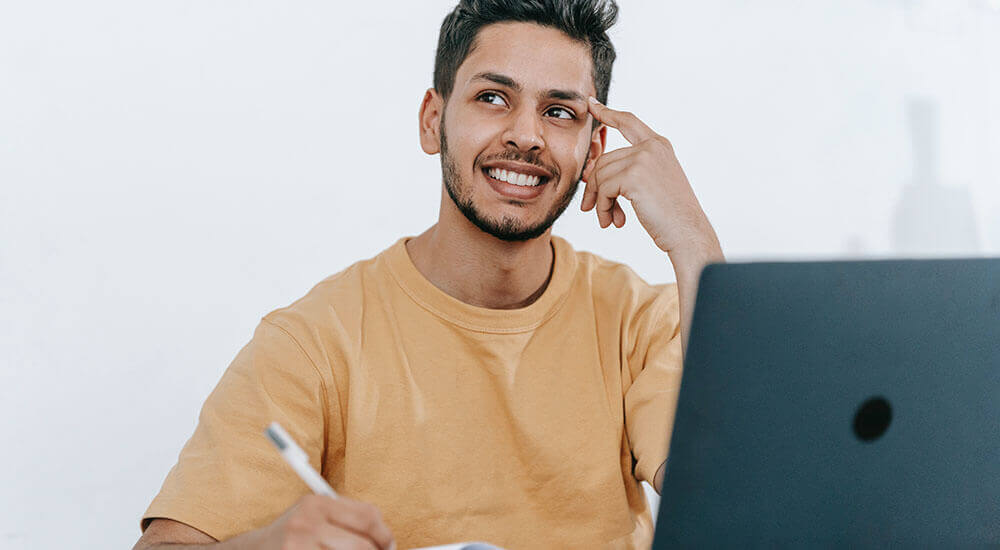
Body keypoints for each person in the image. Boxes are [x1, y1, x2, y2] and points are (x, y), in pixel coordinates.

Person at [133, 1, 724, 548]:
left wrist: (694, 243)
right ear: (432, 120)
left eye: (559, 111)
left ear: (594, 149)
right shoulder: (312, 343)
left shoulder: (647, 324)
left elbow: (744, 501)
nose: (525, 135)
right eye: (493, 98)